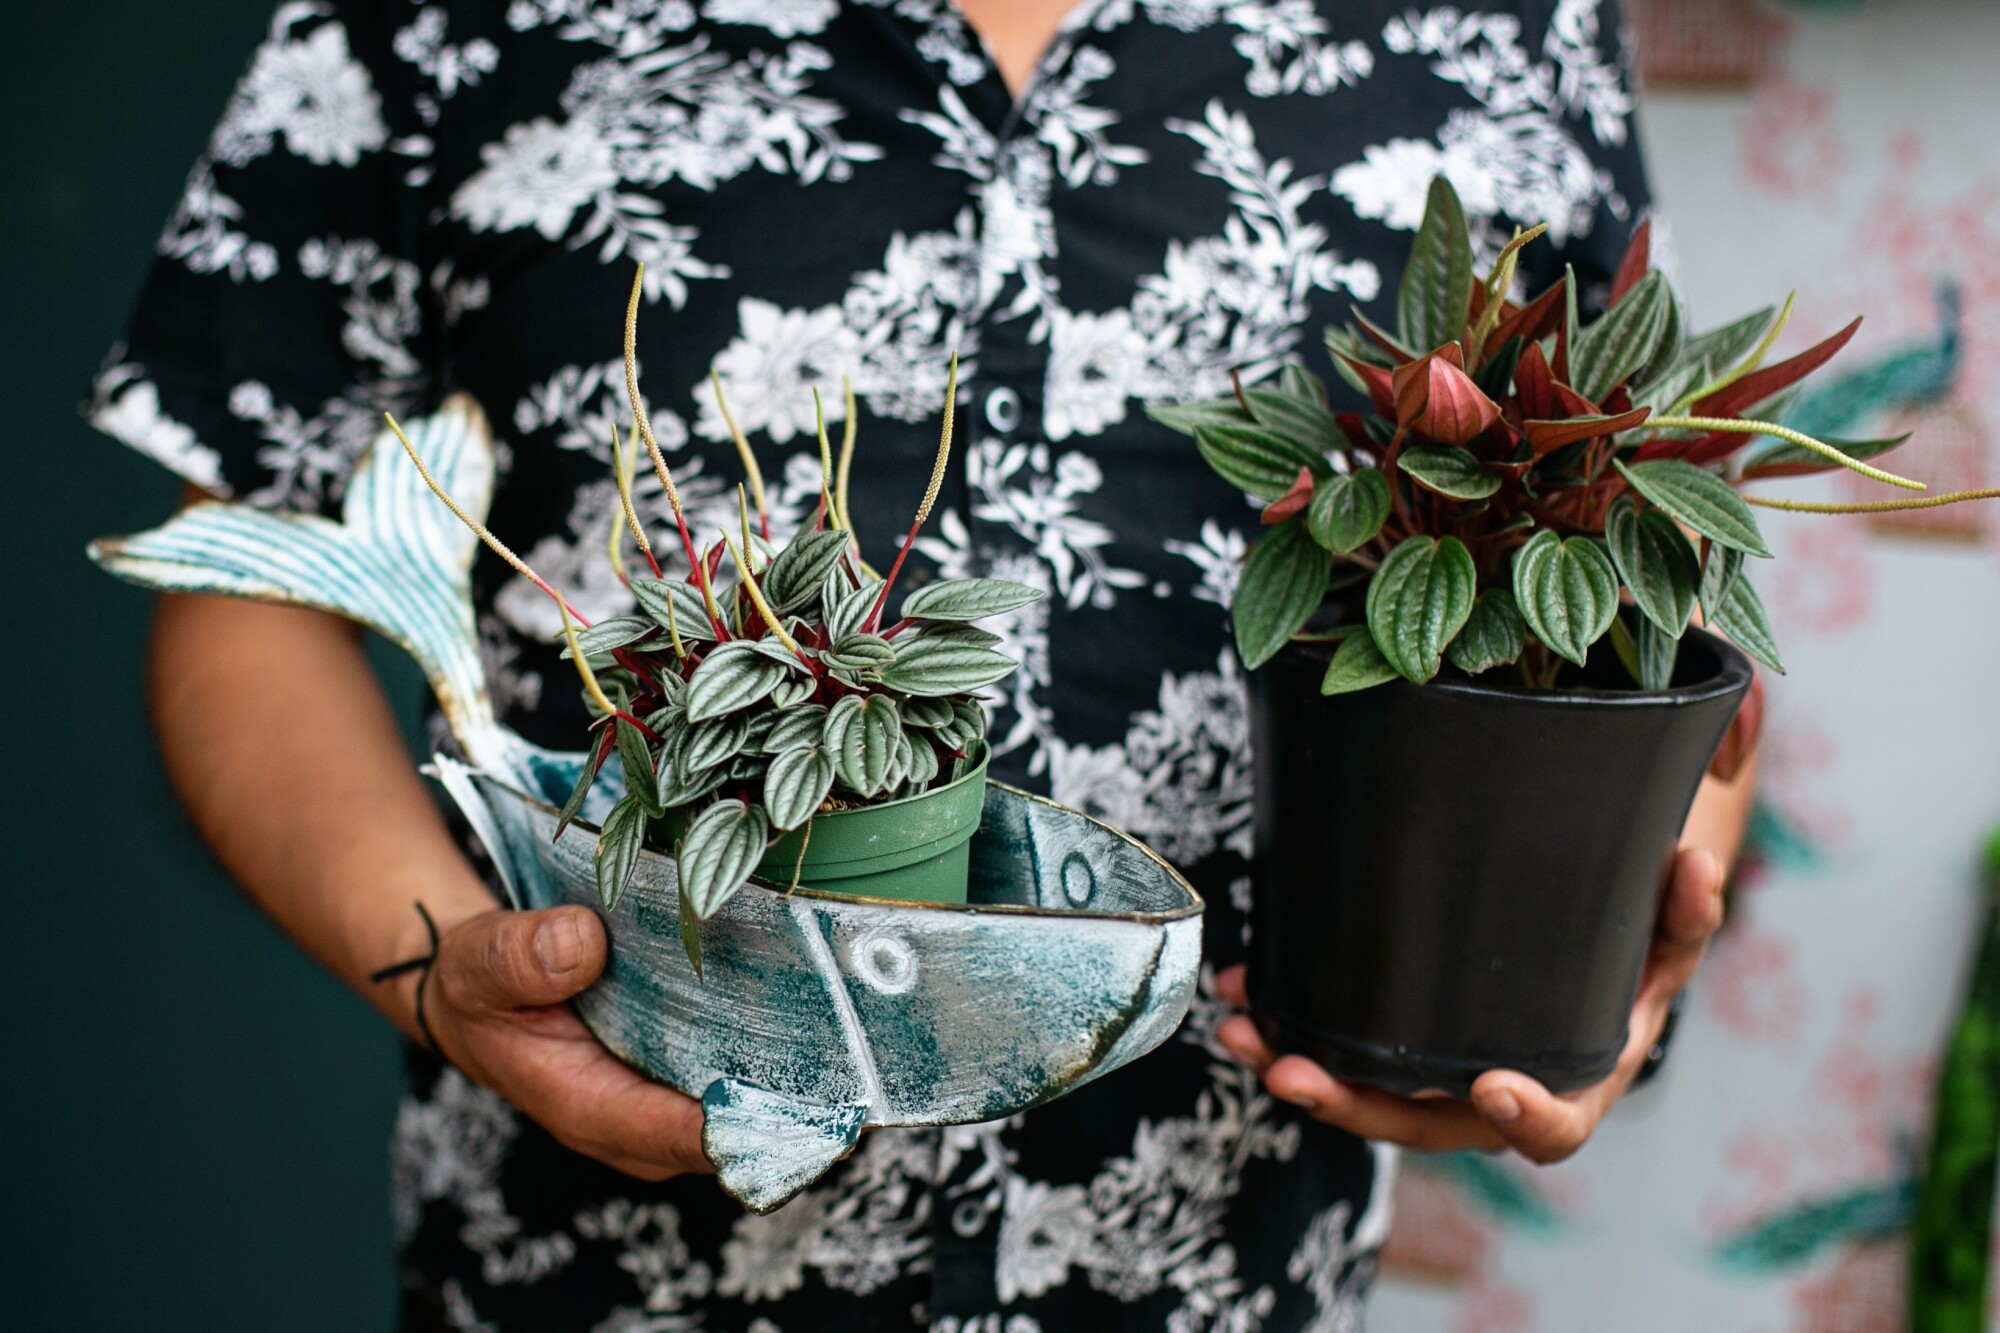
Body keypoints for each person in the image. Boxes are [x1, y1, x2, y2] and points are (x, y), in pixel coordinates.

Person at [91, 0, 1754, 1328]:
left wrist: (1620, 919)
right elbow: (252, 598)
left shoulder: (1497, 24)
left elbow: (1622, 563)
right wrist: (448, 962)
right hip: (596, 1271)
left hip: (1219, 1258)